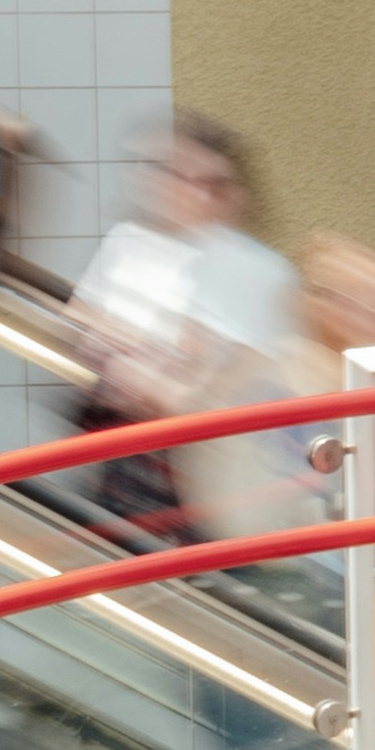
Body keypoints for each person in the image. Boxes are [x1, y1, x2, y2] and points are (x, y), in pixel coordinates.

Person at [66, 116, 307, 547]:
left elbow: (224, 381)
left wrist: (143, 361)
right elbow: (84, 327)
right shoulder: (129, 243)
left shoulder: (253, 267)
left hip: (213, 470)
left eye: (188, 175)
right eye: (157, 168)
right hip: (128, 456)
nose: (165, 184)